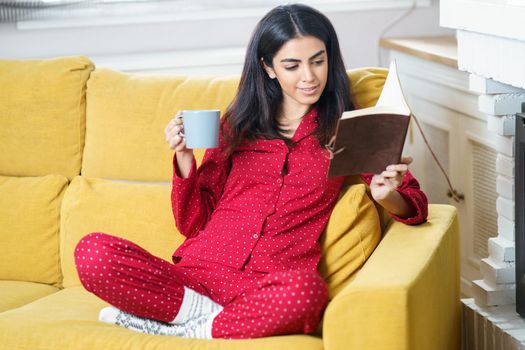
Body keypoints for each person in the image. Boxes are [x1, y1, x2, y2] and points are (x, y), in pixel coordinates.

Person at [74, 3, 428, 340]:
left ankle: (186, 328)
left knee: (307, 293)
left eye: (318, 61)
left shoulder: (348, 126)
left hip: (269, 286)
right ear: (269, 67)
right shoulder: (236, 126)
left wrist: (388, 195)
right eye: (292, 65)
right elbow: (193, 223)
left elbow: (416, 206)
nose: (309, 77)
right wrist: (184, 158)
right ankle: (211, 320)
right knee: (92, 252)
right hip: (197, 275)